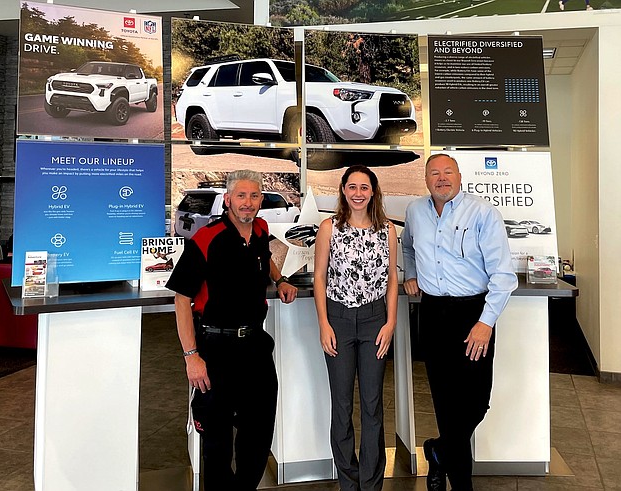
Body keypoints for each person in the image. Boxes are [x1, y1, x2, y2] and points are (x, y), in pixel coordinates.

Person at [166, 169, 297, 491]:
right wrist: (191, 357)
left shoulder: (261, 229)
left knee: (259, 433)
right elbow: (181, 299)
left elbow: (264, 257)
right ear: (227, 200)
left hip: (255, 346)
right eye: (241, 195)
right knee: (217, 441)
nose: (248, 203)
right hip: (215, 350)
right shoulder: (206, 239)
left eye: (254, 196)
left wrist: (279, 279)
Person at [401, 154, 518, 491]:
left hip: (473, 316)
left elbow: (503, 276)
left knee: (477, 401)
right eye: (434, 173)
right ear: (425, 179)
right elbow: (407, 247)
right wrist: (410, 274)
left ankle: (438, 450)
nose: (441, 179)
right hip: (434, 314)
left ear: (459, 176)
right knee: (445, 402)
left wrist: (486, 322)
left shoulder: (483, 213)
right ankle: (461, 484)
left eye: (447, 172)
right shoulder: (415, 212)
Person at [313, 165, 398, 491]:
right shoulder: (329, 228)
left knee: (373, 405)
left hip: (376, 320)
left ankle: (371, 482)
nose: (358, 193)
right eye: (352, 187)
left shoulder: (387, 230)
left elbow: (392, 279)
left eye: (365, 187)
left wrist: (390, 323)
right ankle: (349, 481)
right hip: (339, 320)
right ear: (344, 190)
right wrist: (324, 323)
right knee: (343, 405)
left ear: (373, 192)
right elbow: (320, 277)